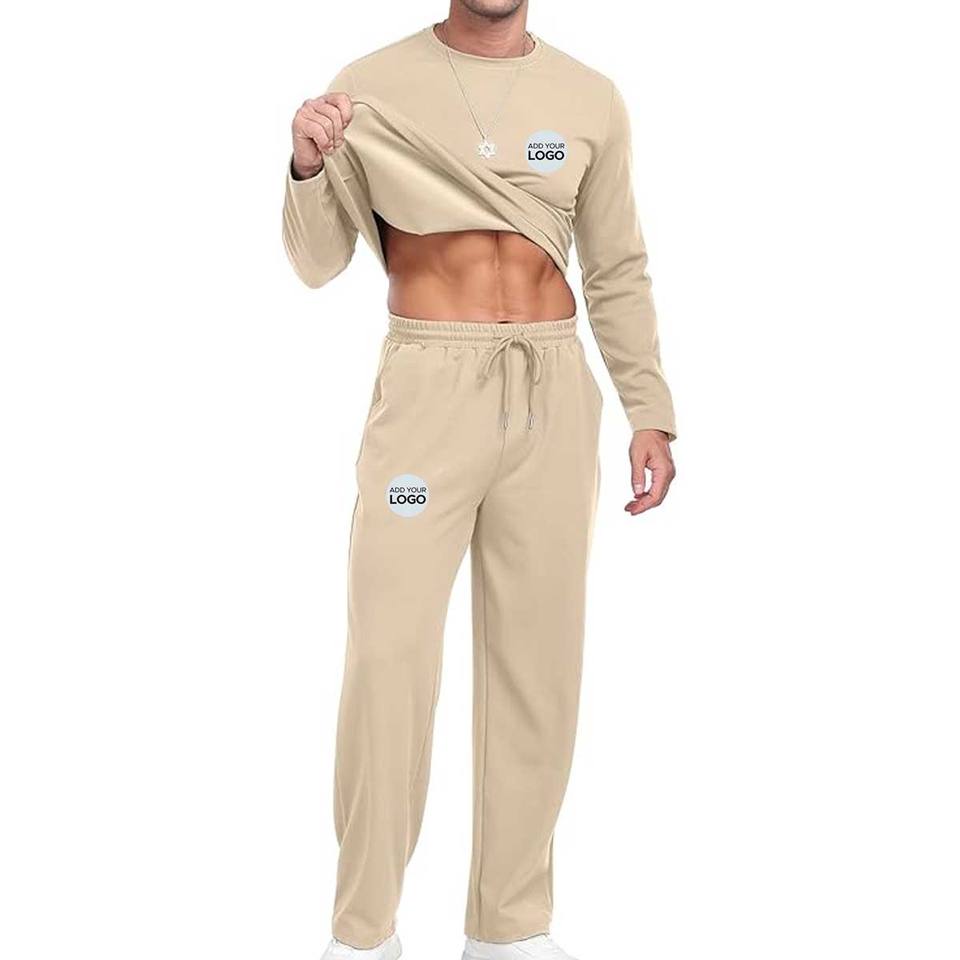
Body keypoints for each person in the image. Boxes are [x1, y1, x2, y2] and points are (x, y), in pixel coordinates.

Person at [281, 2, 677, 958]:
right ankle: (363, 933)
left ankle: (509, 929)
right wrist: (306, 165)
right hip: (430, 397)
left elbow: (617, 266)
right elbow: (316, 262)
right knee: (389, 656)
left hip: (552, 392)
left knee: (539, 666)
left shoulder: (590, 96)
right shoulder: (369, 84)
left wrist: (649, 407)